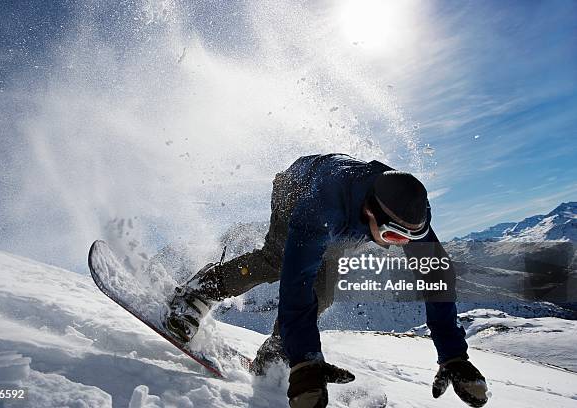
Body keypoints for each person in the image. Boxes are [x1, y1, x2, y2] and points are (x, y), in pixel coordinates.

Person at [165, 153, 488, 408]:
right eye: (390, 235)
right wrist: (307, 361)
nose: (395, 245)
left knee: (325, 293)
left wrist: (453, 355)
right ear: (371, 213)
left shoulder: (408, 210)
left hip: (343, 214)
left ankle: (276, 349)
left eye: (408, 239)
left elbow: (436, 275)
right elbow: (295, 284)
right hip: (296, 190)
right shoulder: (320, 210)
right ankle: (200, 291)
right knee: (277, 261)